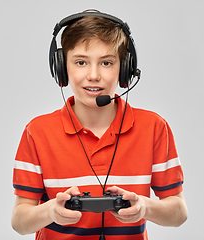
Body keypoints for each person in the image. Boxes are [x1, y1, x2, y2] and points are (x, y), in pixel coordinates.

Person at [11, 10, 188, 240]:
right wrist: (51, 211)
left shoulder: (154, 127)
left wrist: (145, 207)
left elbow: (179, 213)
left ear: (125, 70)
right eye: (81, 62)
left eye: (106, 62)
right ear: (62, 68)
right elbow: (19, 222)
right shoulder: (37, 132)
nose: (93, 75)